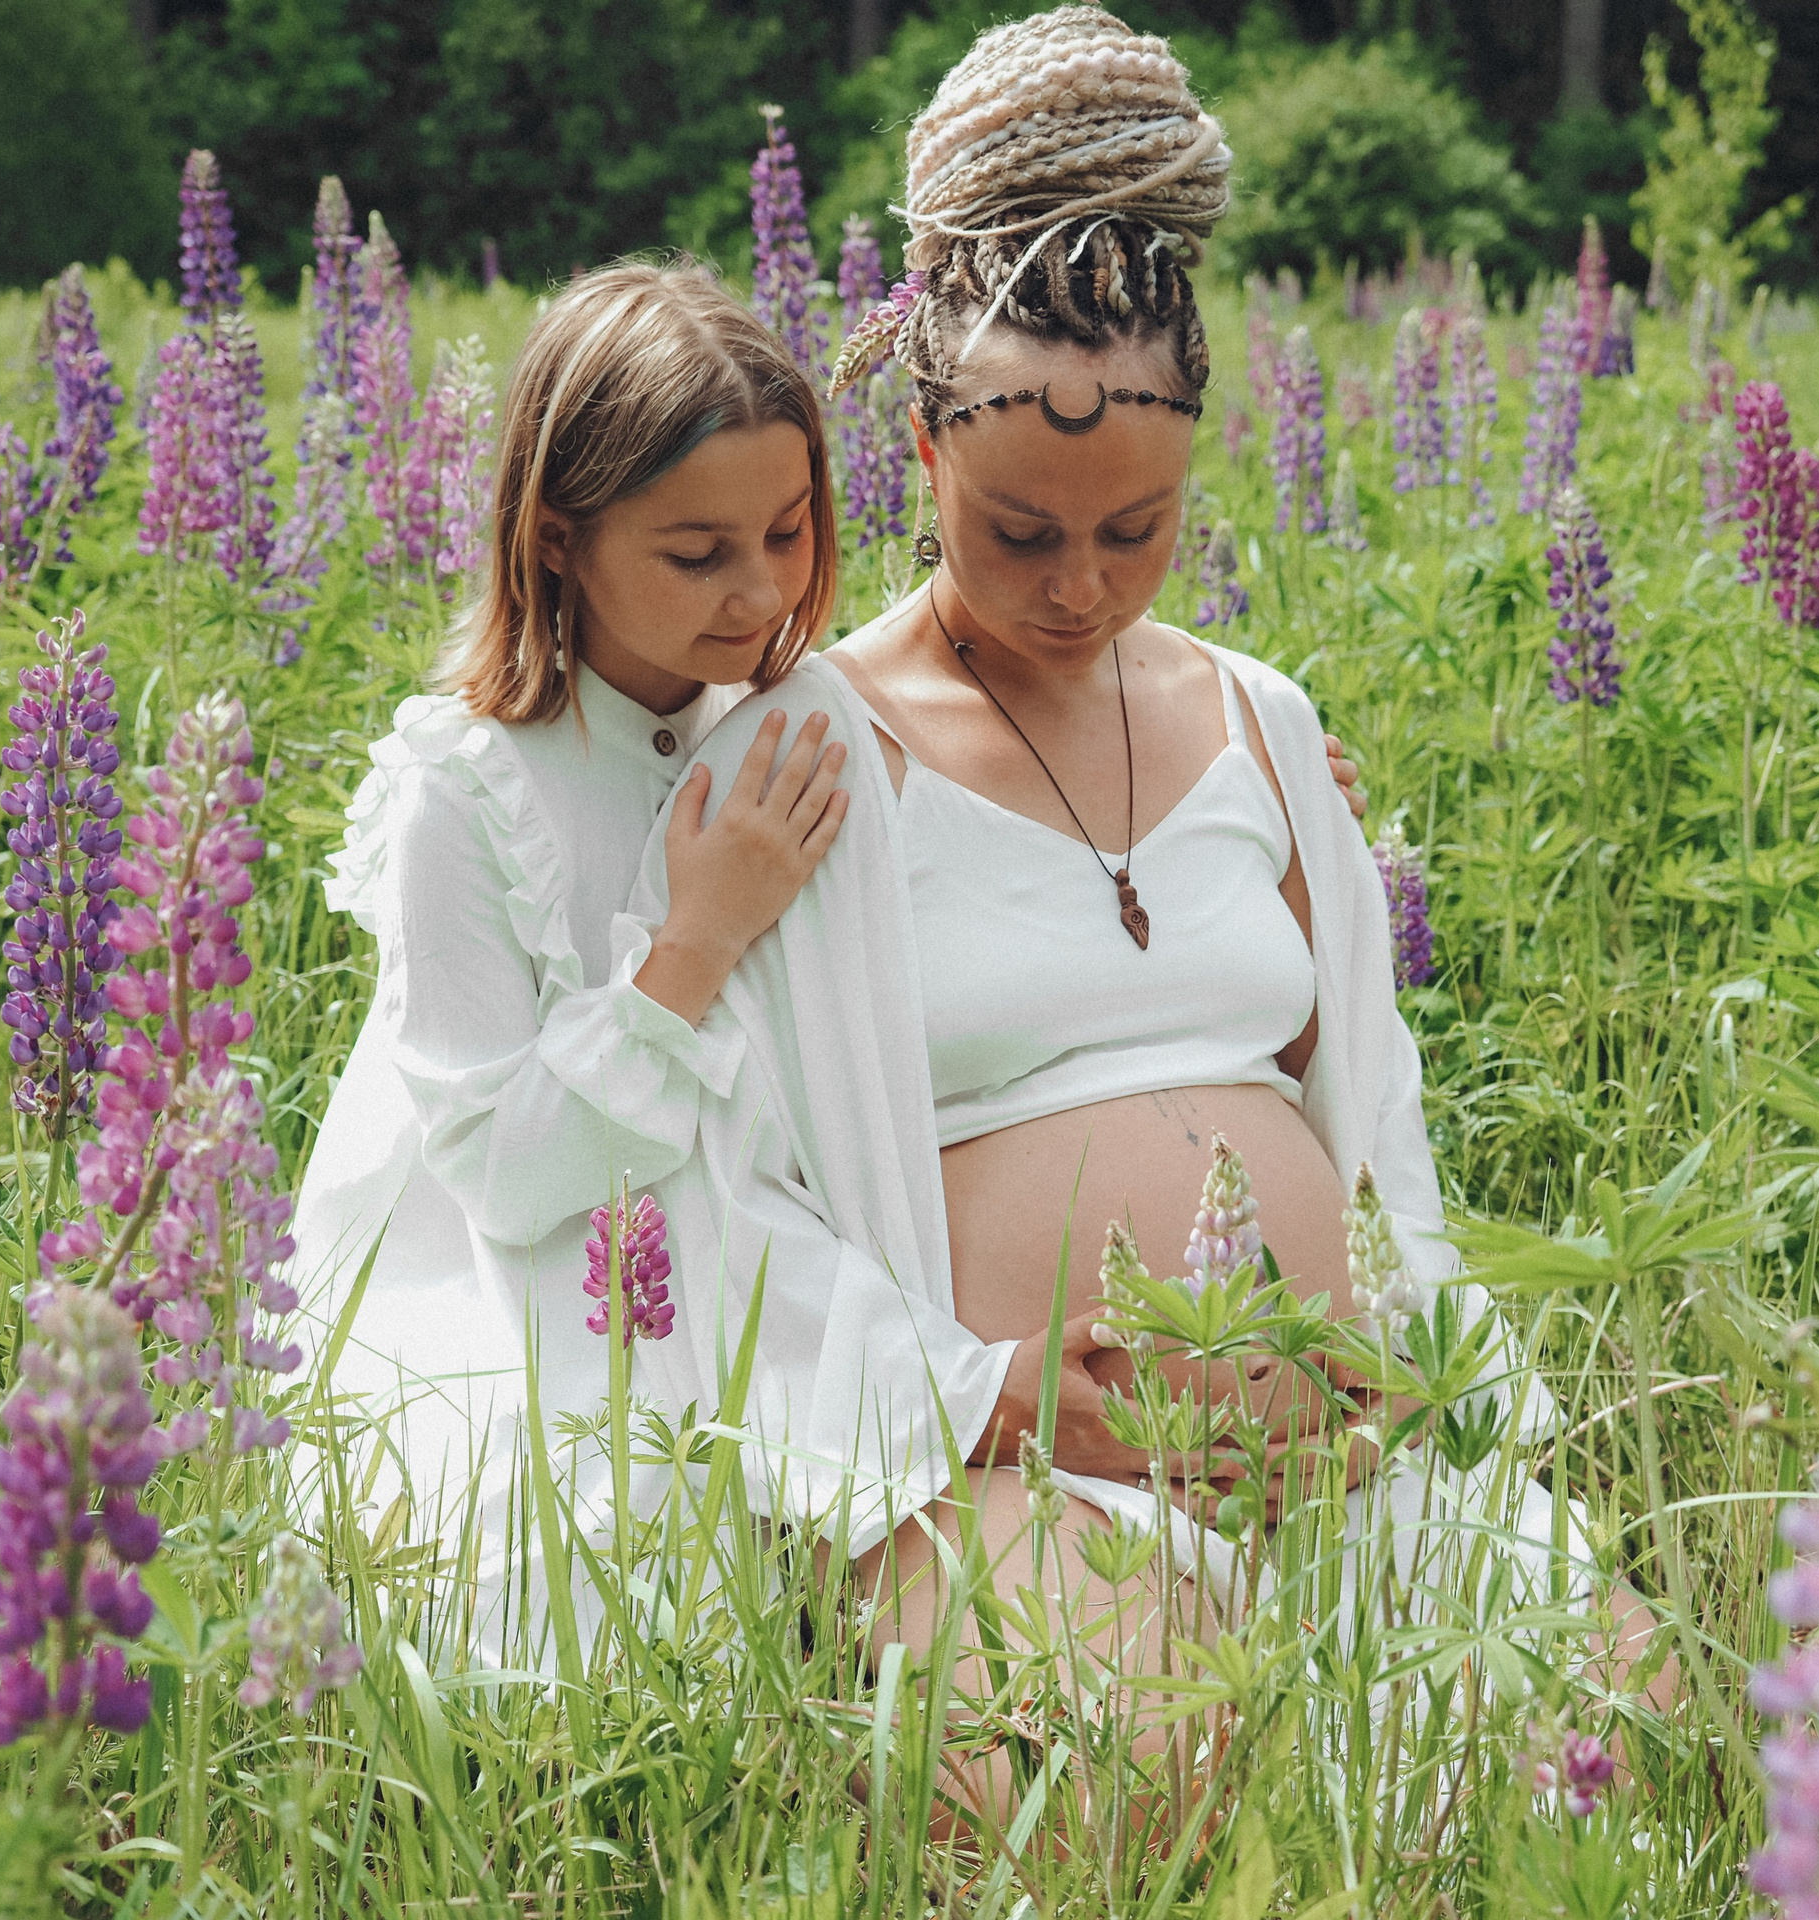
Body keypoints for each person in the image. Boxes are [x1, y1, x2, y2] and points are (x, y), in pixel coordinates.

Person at [626, 4, 1583, 1769]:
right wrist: (967, 1392)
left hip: (1343, 1465)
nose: (1080, 586)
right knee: (1135, 1788)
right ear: (920, 454)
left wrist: (1412, 1365)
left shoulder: (1260, 721)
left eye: (1133, 530)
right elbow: (712, 1190)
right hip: (990, 1477)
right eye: (1020, 529)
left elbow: (1378, 1117)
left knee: (1621, 1759)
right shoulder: (799, 753)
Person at [290, 259, 1364, 1644]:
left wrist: (1270, 828)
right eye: (697, 554)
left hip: (739, 1301)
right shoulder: (473, 784)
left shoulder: (788, 719)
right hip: (533, 1304)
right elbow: (509, 1178)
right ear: (555, 536)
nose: (756, 596)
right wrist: (694, 941)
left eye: (790, 535)